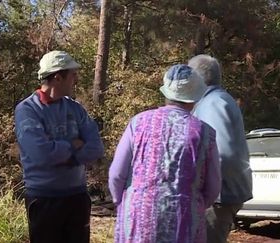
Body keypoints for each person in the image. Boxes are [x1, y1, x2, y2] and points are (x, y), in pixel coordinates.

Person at [108, 64, 221, 243]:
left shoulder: (138, 123)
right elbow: (213, 186)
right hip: (184, 219)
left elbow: (117, 174)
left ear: (166, 92)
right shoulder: (205, 133)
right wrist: (195, 204)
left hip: (138, 216)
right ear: (194, 98)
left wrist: (120, 201)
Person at [15, 50, 104, 243]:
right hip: (44, 200)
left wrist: (61, 152)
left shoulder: (75, 108)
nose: (76, 79)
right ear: (58, 77)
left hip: (77, 198)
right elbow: (41, 154)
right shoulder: (27, 110)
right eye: (73, 74)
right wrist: (74, 145)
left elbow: (96, 147)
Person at [189, 54, 253, 243]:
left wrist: (206, 194)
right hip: (222, 194)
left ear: (198, 79)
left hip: (217, 197)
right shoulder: (218, 99)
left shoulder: (212, 103)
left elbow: (222, 153)